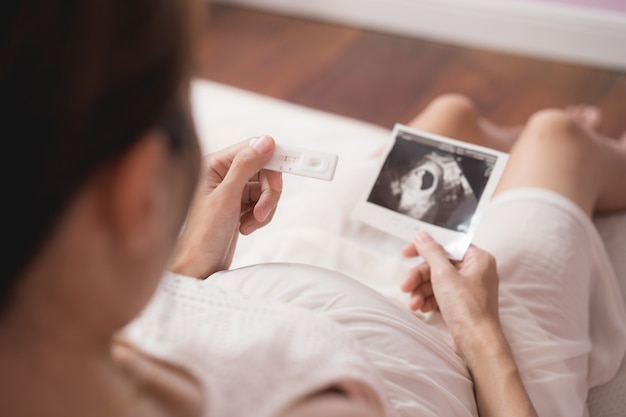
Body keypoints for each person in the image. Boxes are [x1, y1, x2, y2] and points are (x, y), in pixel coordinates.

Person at [0, 1, 625, 417]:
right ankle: (582, 152)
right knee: (556, 138)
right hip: (453, 355)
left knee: (448, 122)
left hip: (264, 291)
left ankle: (521, 148)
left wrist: (192, 270)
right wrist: (481, 331)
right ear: (134, 197)